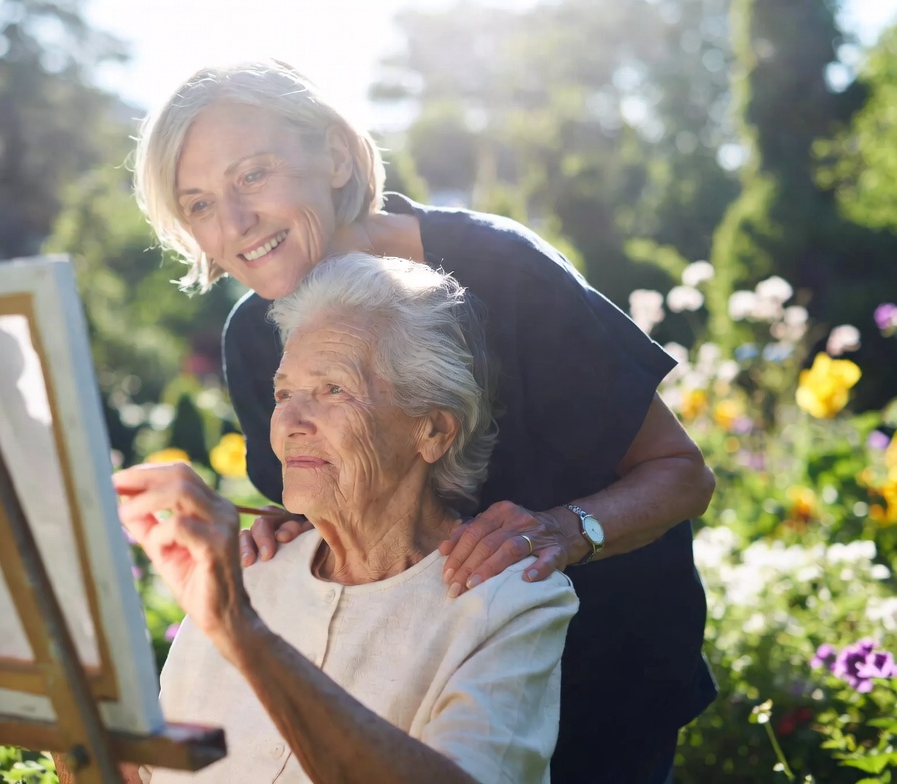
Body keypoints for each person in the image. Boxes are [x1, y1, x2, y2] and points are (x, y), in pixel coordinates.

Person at [132, 61, 716, 783]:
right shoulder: (254, 337)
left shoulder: (503, 269)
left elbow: (681, 473)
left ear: (336, 156)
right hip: (417, 694)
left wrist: (566, 530)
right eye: (198, 204)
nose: (234, 222)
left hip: (603, 670)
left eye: (253, 176)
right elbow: (333, 503)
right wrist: (282, 528)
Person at [116, 253, 578, 783]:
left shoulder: (508, 600)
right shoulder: (247, 569)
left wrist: (241, 631)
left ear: (432, 430)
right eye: (283, 393)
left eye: (333, 389)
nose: (289, 421)